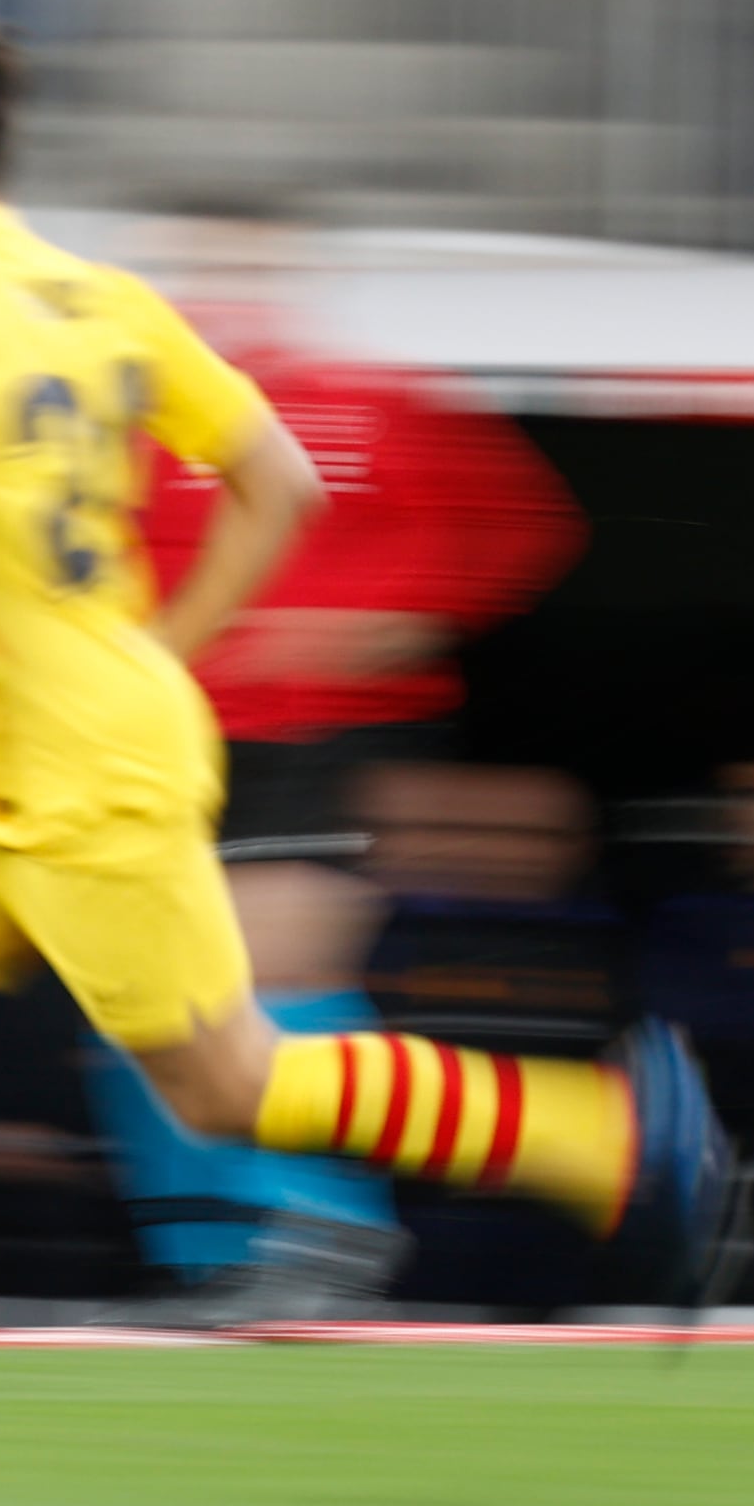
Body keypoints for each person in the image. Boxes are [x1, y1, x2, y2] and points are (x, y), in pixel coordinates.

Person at [0, 5, 733, 1500]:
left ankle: (608, 1132)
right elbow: (279, 481)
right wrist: (160, 643)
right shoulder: (99, 296)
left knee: (228, 1083)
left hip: (59, 759)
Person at [80, 206, 587, 1324]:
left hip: (321, 733)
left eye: (242, 255)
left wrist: (396, 623)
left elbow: (526, 527)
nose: (220, 281)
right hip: (167, 738)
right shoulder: (132, 417)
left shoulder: (370, 396)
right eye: (199, 259)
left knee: (273, 976)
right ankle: (216, 1252)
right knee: (136, 996)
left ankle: (328, 1224)